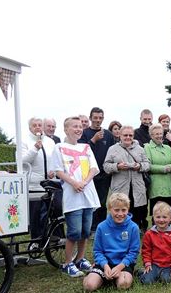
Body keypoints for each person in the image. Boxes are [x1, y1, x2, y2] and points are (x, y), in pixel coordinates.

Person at [51, 116, 101, 278]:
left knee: (86, 231)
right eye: (74, 126)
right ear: (66, 129)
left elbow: (94, 168)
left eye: (80, 126)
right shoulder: (59, 147)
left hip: (87, 194)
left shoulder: (86, 147)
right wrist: (74, 183)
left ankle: (80, 258)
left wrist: (84, 182)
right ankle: (67, 263)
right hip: (73, 196)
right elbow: (58, 171)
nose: (78, 129)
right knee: (74, 231)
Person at [83, 193, 139, 291]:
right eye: (116, 210)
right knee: (89, 286)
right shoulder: (101, 227)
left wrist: (119, 267)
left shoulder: (133, 227)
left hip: (123, 264)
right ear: (109, 209)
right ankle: (99, 276)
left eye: (124, 210)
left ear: (128, 209)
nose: (120, 214)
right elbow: (98, 251)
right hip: (104, 264)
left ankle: (120, 276)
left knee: (123, 284)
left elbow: (133, 252)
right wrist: (105, 265)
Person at [103, 126, 150, 231]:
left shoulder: (140, 149)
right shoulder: (112, 149)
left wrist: (139, 166)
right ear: (120, 135)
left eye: (130, 135)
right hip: (120, 188)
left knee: (137, 212)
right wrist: (117, 166)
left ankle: (134, 233)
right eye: (125, 135)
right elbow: (106, 167)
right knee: (120, 210)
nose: (128, 137)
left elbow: (147, 165)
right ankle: (118, 233)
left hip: (137, 188)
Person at [21, 117, 57, 244]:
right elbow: (22, 161)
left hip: (49, 183)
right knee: (36, 216)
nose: (37, 127)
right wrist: (35, 148)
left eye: (40, 125)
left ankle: (49, 239)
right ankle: (36, 241)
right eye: (34, 125)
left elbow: (53, 159)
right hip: (34, 184)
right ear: (30, 127)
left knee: (49, 214)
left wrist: (54, 171)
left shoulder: (49, 141)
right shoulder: (24, 140)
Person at [79, 107, 115, 230]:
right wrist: (93, 140)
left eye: (100, 118)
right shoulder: (84, 133)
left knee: (102, 202)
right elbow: (80, 152)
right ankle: (89, 227)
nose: (98, 120)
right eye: (95, 118)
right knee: (89, 202)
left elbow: (113, 152)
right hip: (88, 174)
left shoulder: (109, 135)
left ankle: (101, 227)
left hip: (104, 174)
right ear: (90, 118)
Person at [139, 202, 171, 284]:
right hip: (154, 264)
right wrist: (147, 263)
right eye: (158, 217)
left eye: (164, 217)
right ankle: (141, 272)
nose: (161, 220)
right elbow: (146, 250)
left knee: (167, 280)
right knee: (147, 282)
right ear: (153, 218)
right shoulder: (149, 234)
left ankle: (170, 274)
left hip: (169, 265)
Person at [144, 124, 171, 214]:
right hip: (156, 187)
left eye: (160, 133)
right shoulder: (147, 147)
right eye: (156, 134)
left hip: (169, 185)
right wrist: (163, 169)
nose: (159, 136)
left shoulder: (168, 148)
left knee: (169, 213)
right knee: (157, 213)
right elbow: (148, 166)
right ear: (151, 135)